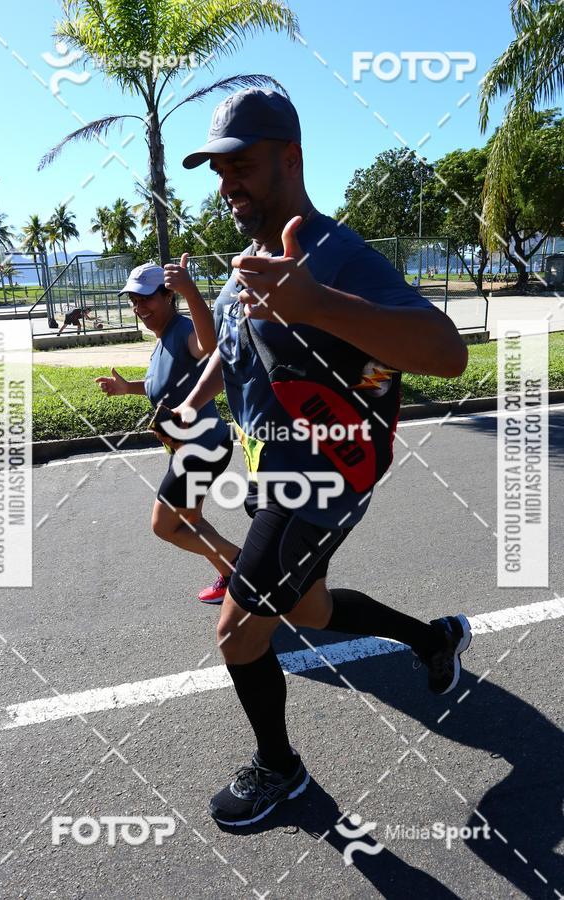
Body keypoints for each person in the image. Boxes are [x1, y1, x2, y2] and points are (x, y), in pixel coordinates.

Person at [178, 88, 472, 826]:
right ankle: (433, 640)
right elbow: (239, 350)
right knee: (308, 607)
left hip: (320, 480)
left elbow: (448, 354)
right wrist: (199, 395)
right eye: (218, 170)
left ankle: (282, 770)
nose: (227, 183)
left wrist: (318, 306)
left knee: (240, 635)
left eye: (239, 165)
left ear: (291, 157)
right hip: (271, 470)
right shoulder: (250, 260)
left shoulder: (336, 255)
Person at [96, 259, 240, 604]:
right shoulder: (163, 339)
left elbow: (209, 345)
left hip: (201, 449)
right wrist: (126, 387)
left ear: (168, 297)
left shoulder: (184, 330)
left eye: (146, 298)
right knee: (190, 519)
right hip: (190, 448)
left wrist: (190, 290)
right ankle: (229, 576)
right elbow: (161, 387)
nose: (138, 307)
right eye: (134, 300)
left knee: (164, 527)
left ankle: (246, 568)